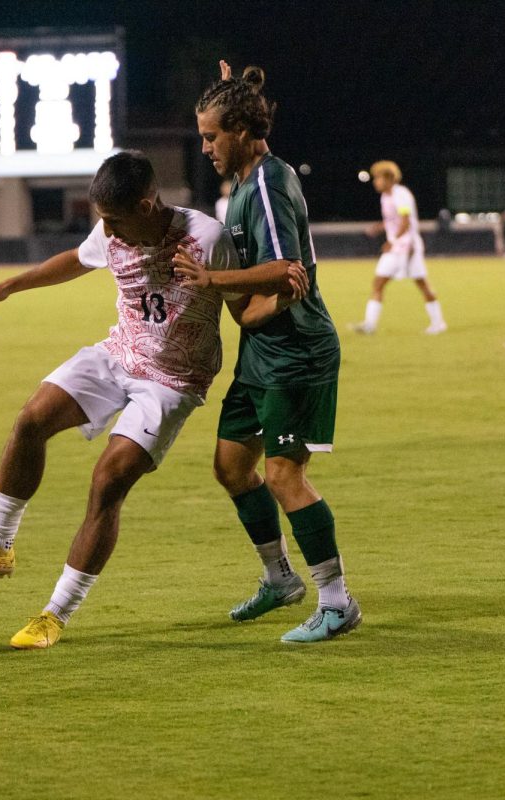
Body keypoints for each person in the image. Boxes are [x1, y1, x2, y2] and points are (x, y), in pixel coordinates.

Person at [0, 150, 303, 649]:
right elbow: (75, 260)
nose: (108, 232)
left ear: (148, 206)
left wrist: (285, 296)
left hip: (172, 380)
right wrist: (10, 286)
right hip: (118, 353)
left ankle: (54, 615)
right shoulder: (111, 230)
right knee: (31, 419)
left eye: (115, 221)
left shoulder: (206, 239)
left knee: (108, 481)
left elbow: (243, 312)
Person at [174, 61, 361, 644]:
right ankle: (281, 579)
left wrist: (211, 283)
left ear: (239, 131)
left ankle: (337, 601)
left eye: (210, 136)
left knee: (283, 475)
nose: (204, 147)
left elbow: (288, 270)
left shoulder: (271, 183)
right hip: (262, 350)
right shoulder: (243, 186)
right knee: (231, 467)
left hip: (298, 353)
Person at [349, 161, 447, 335]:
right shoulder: (385, 197)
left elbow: (405, 221)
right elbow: (392, 221)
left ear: (389, 178)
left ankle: (438, 323)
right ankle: (370, 325)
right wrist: (378, 227)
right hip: (396, 247)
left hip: (409, 247)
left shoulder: (401, 194)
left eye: (378, 177)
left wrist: (392, 240)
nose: (375, 181)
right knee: (378, 282)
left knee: (421, 283)